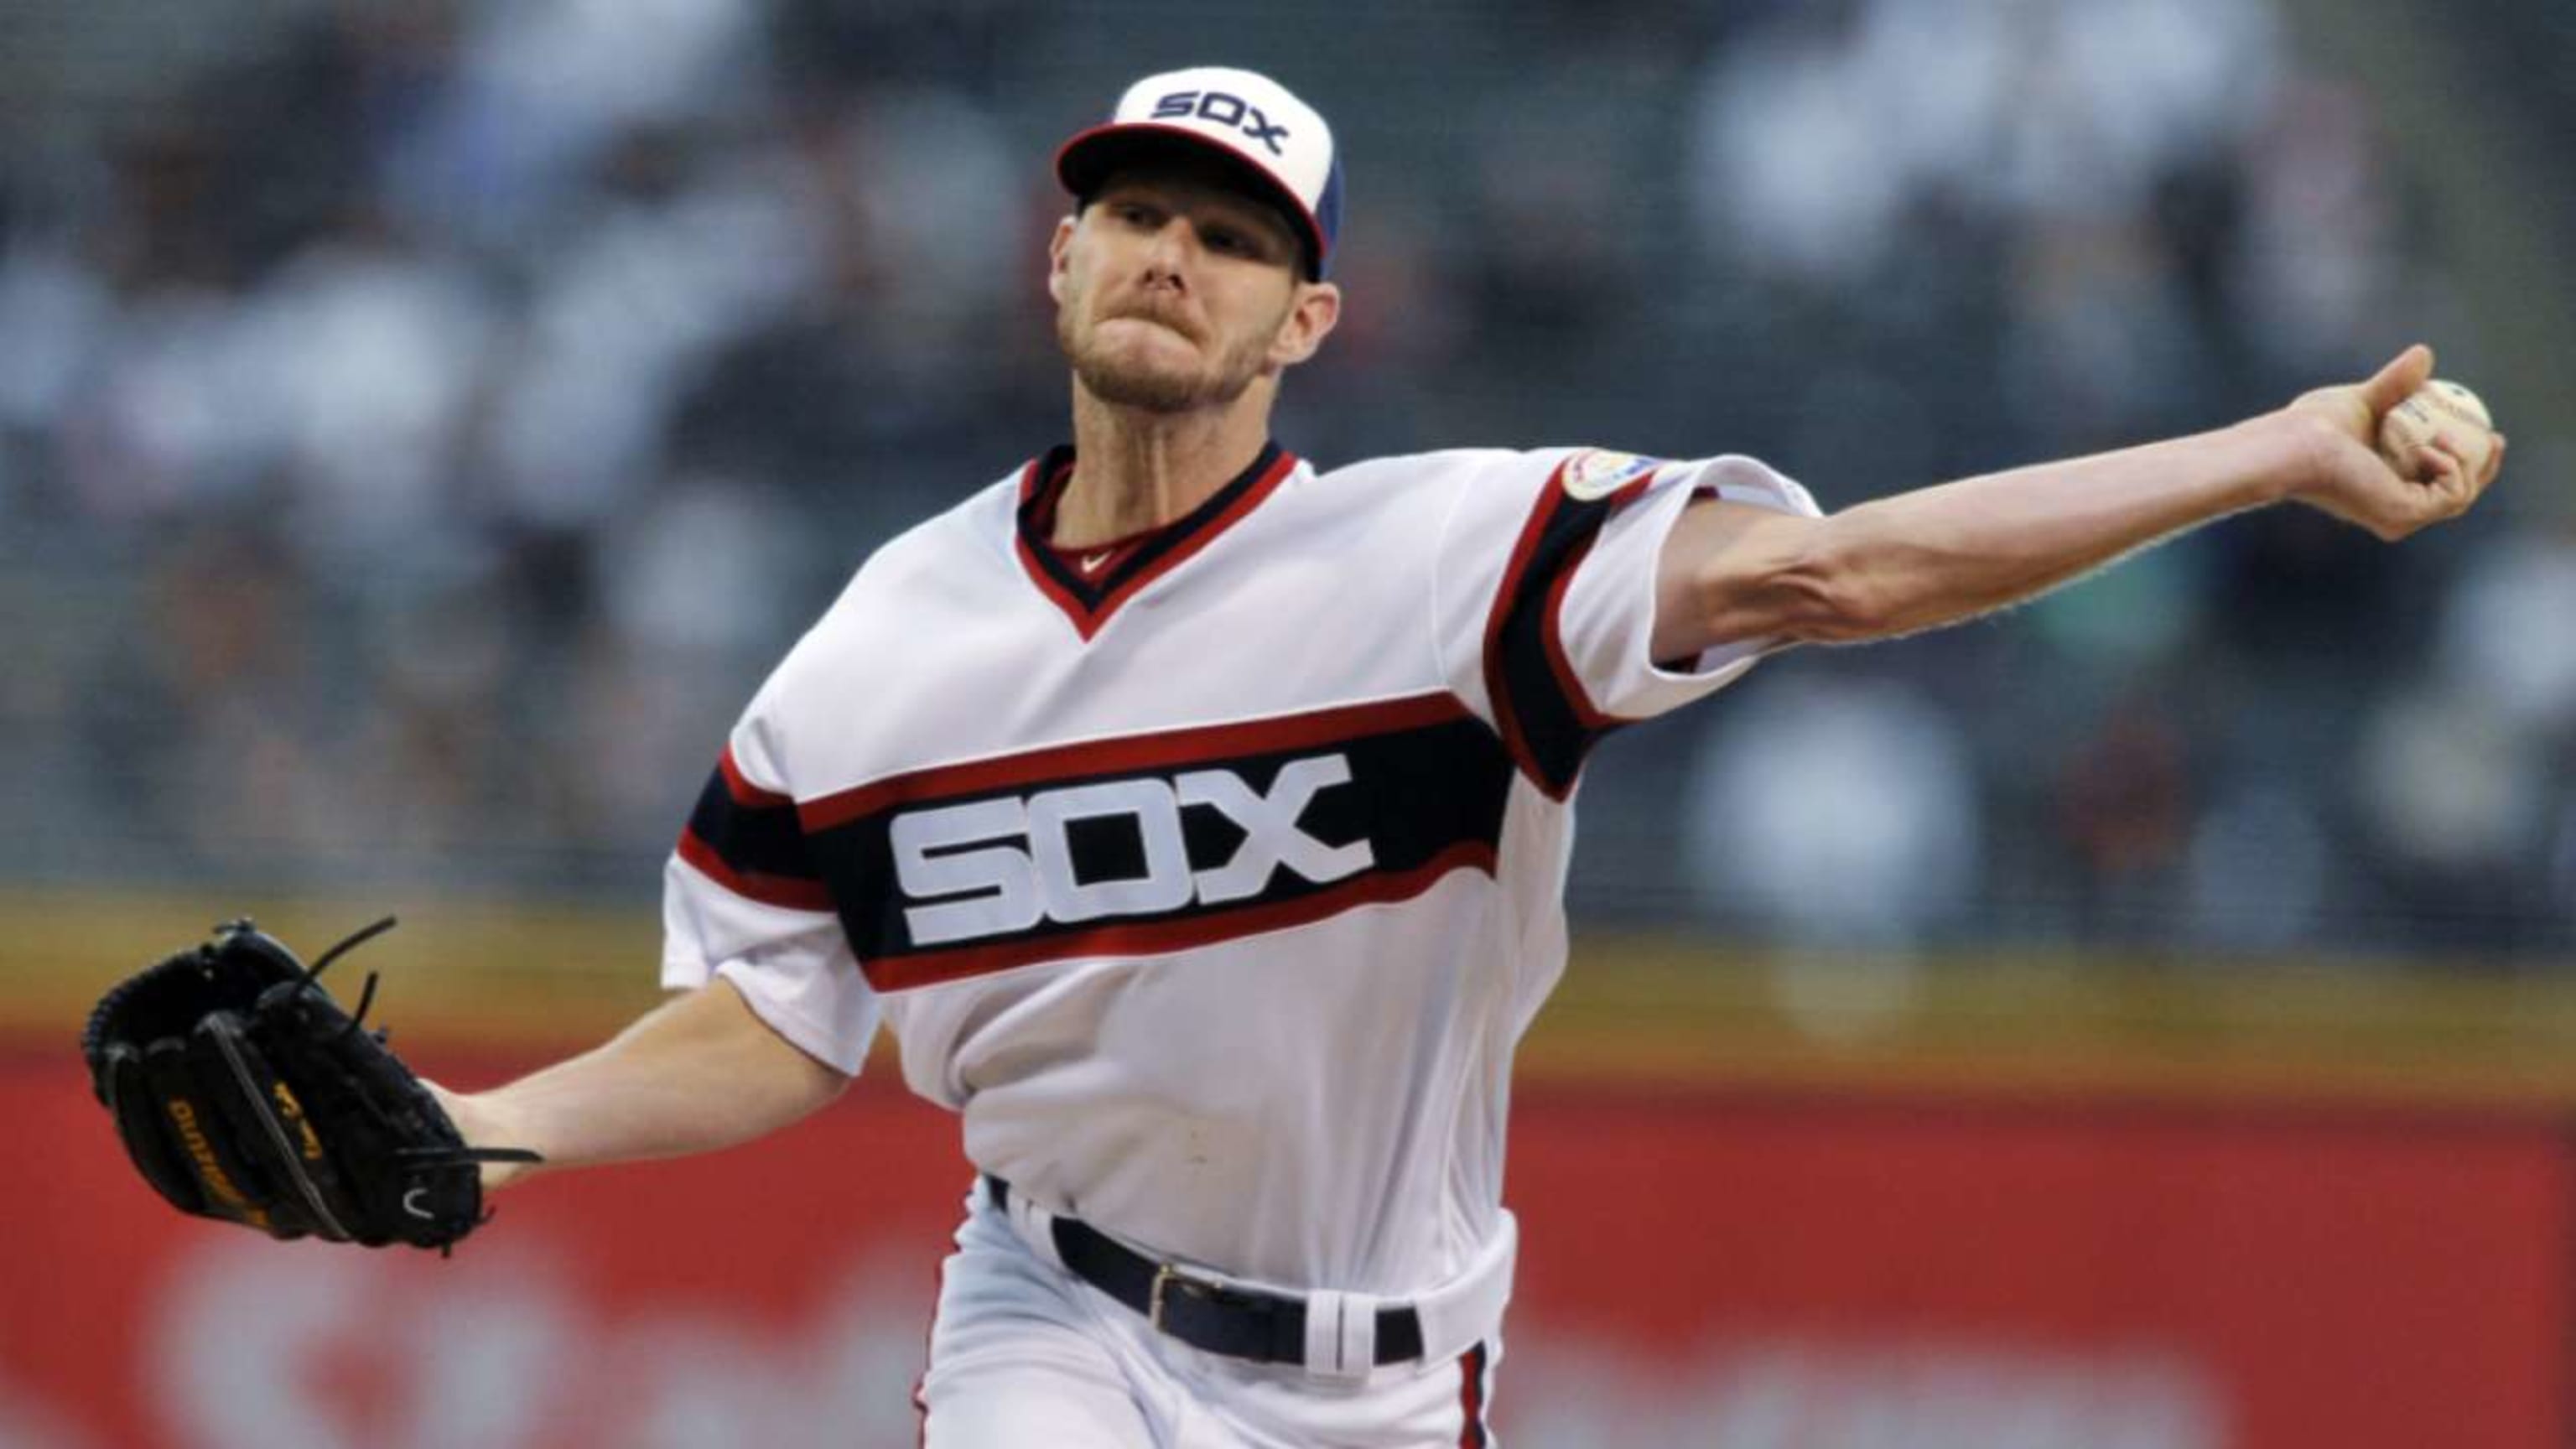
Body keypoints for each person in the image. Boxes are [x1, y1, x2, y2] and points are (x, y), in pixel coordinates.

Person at [430, 65, 2503, 1447]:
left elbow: (1844, 578)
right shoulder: (882, 645)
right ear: (1056, 256)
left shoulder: (1450, 562)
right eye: (1134, 211)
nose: (1170, 252)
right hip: (1051, 1321)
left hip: (1393, 1372)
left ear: (1309, 319)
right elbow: (774, 1015)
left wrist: (2270, 452)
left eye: (1233, 237)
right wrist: (490, 1131)